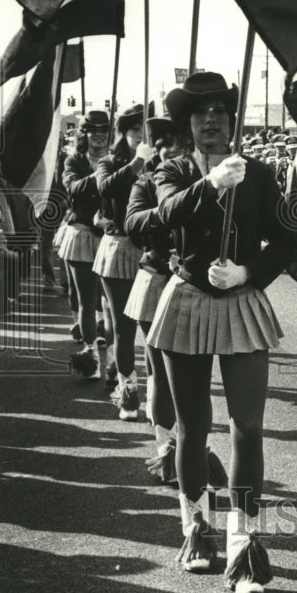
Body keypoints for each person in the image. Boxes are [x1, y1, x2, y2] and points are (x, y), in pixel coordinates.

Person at [147, 72, 296, 593]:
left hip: (241, 300)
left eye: (219, 110)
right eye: (200, 111)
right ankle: (195, 526)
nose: (211, 118)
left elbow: (288, 241)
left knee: (248, 426)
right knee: (192, 425)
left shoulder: (259, 174)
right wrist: (209, 186)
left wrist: (248, 273)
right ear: (188, 124)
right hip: (187, 299)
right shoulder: (172, 168)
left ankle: (244, 540)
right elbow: (155, 218)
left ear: (231, 120)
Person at [124, 119, 183, 472]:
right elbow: (133, 225)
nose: (173, 149)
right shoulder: (145, 183)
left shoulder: (200, 181)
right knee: (160, 369)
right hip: (156, 280)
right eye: (165, 144)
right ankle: (167, 449)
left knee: (186, 376)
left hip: (193, 286)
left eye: (180, 142)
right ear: (154, 149)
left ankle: (183, 440)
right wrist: (174, 210)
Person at [94, 104, 154, 418]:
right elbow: (104, 187)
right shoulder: (110, 162)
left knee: (153, 328)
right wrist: (136, 162)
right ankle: (128, 392)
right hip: (118, 249)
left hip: (150, 252)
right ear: (125, 133)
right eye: (136, 133)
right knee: (123, 328)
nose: (142, 139)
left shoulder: (160, 164)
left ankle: (159, 397)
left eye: (147, 134)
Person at [58, 110, 111, 380]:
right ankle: (90, 355)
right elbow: (73, 188)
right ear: (85, 133)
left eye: (104, 129)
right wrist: (102, 174)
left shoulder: (118, 159)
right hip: (81, 234)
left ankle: (113, 359)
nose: (99, 134)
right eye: (93, 130)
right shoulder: (74, 160)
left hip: (112, 236)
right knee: (85, 299)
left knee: (111, 303)